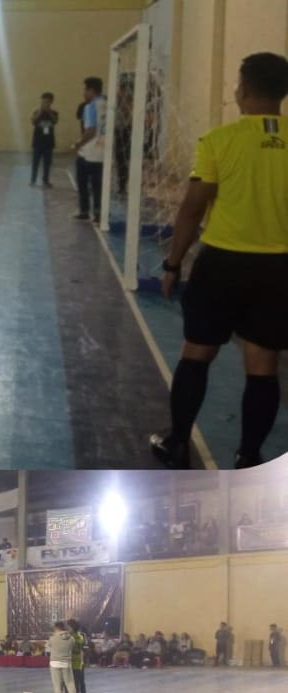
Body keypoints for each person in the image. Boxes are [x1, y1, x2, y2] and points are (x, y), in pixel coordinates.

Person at [151, 53, 288, 469]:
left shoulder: (219, 141)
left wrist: (173, 263)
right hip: (278, 269)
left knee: (197, 353)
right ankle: (249, 457)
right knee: (263, 364)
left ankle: (177, 444)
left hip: (222, 265)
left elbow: (193, 209)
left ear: (243, 89)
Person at [73, 76, 106, 223]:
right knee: (98, 185)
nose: (84, 93)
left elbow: (90, 130)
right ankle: (99, 213)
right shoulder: (107, 104)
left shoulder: (90, 106)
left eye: (85, 90)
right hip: (103, 150)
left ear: (91, 90)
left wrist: (78, 143)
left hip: (90, 151)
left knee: (82, 181)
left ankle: (84, 211)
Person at [47, 620, 77, 693]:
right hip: (66, 663)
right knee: (70, 682)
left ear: (56, 628)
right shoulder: (71, 638)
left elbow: (48, 648)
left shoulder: (52, 638)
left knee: (57, 683)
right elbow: (73, 647)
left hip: (54, 663)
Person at [31, 92, 58, 188]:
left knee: (47, 163)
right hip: (37, 142)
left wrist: (49, 112)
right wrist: (40, 112)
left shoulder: (54, 113)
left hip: (48, 143)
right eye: (43, 102)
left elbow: (55, 121)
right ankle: (33, 180)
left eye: (47, 102)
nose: (44, 104)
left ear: (51, 102)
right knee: (35, 163)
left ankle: (45, 181)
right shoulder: (36, 112)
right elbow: (33, 121)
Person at [68, 618, 92, 693]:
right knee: (79, 681)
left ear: (71, 627)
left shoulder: (70, 636)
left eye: (68, 626)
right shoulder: (81, 635)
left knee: (77, 681)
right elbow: (86, 648)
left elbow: (85, 647)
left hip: (75, 661)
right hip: (77, 661)